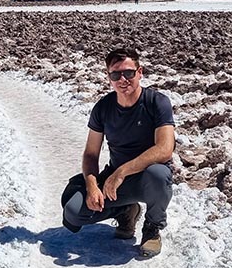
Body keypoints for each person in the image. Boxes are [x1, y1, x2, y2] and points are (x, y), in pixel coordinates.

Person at [60, 48, 175, 257]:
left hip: (145, 179)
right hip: (114, 181)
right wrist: (93, 186)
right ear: (109, 78)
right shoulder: (103, 108)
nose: (123, 79)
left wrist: (121, 172)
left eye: (129, 73)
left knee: (159, 174)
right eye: (115, 74)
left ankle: (152, 228)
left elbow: (165, 149)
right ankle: (126, 211)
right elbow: (90, 155)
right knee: (73, 211)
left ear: (140, 72)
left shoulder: (156, 102)